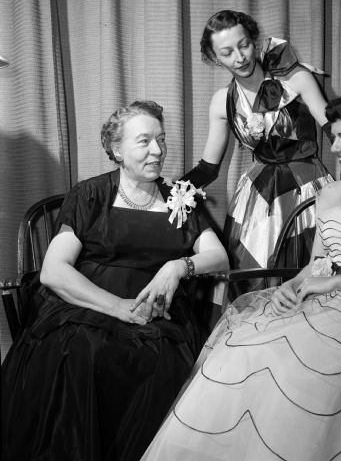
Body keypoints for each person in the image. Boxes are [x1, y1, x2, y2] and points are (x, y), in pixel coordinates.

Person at [141, 91, 341, 461]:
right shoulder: (332, 193)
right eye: (333, 136)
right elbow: (316, 265)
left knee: (312, 376)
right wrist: (291, 288)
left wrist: (336, 282)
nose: (334, 146)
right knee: (241, 352)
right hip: (320, 302)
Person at [1, 100, 228, 461]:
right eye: (144, 141)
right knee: (82, 351)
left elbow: (218, 256)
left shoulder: (179, 198)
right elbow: (53, 270)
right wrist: (119, 308)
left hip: (158, 313)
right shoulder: (92, 194)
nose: (158, 150)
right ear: (117, 149)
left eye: (162, 139)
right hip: (86, 304)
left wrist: (176, 267)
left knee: (162, 362)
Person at [183, 9, 333, 272]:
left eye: (244, 45)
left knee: (313, 270)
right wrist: (170, 191)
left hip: (308, 187)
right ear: (214, 58)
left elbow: (335, 131)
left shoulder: (296, 79)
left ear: (254, 41)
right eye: (227, 53)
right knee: (256, 276)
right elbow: (209, 168)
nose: (240, 58)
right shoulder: (222, 101)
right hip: (258, 197)